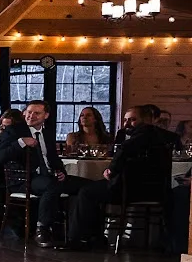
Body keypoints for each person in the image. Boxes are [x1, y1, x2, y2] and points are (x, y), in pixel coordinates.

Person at [68, 105, 174, 248]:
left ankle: (79, 239)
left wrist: (111, 169)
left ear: (146, 119)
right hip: (159, 191)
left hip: (131, 190)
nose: (126, 124)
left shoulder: (139, 137)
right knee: (92, 189)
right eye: (125, 120)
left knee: (87, 192)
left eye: (132, 119)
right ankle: (95, 237)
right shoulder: (168, 137)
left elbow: (124, 150)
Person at [0, 99, 70, 247]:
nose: (31, 116)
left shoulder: (47, 133)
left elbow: (53, 159)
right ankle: (42, 229)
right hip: (25, 178)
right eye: (29, 112)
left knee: (85, 186)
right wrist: (21, 142)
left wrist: (61, 171)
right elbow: (1, 156)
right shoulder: (14, 131)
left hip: (48, 176)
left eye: (37, 113)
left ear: (46, 115)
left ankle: (80, 234)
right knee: (52, 186)